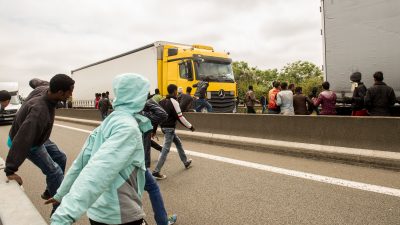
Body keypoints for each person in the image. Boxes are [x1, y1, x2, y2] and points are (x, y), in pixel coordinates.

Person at [47, 73, 150, 225]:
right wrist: (62, 217)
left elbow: (80, 163)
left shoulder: (108, 122)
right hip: (119, 214)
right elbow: (97, 171)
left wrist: (61, 194)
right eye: (145, 94)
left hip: (98, 212)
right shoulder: (128, 129)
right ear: (138, 97)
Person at [4, 74, 74, 215]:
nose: (71, 95)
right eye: (69, 92)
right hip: (30, 143)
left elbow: (34, 81)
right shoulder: (39, 111)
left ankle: (50, 190)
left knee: (61, 157)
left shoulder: (45, 87)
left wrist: (31, 81)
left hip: (37, 137)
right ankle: (58, 211)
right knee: (55, 172)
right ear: (60, 92)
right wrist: (10, 170)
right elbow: (22, 140)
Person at [141, 96, 177, 225]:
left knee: (133, 192)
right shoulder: (142, 115)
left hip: (124, 162)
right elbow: (162, 114)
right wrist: (149, 101)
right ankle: (160, 221)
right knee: (150, 189)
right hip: (138, 163)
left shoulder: (117, 116)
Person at [152, 84, 195, 180]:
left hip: (163, 127)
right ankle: (156, 171)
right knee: (165, 150)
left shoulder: (161, 101)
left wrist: (154, 130)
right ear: (175, 91)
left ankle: (185, 162)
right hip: (169, 128)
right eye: (176, 91)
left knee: (178, 143)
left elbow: (157, 116)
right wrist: (190, 126)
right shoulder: (174, 102)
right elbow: (180, 117)